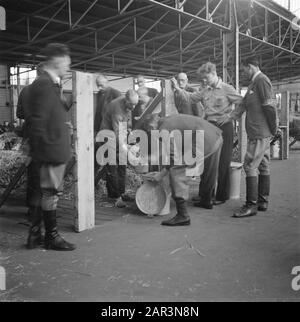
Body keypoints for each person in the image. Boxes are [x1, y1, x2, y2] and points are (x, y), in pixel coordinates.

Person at [172, 63, 243, 208]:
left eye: (206, 77)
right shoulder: (205, 90)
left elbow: (242, 102)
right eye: (203, 78)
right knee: (207, 162)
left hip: (224, 127)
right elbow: (191, 98)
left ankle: (222, 196)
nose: (204, 80)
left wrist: (231, 116)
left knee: (223, 162)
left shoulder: (226, 88)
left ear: (214, 73)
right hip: (210, 127)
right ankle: (206, 195)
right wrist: (178, 89)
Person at [27, 43, 76, 251]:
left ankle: (36, 234)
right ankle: (52, 237)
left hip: (49, 148)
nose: (68, 66)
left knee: (44, 192)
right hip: (50, 149)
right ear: (57, 60)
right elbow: (38, 121)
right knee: (50, 193)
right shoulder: (45, 85)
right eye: (67, 62)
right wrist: (39, 150)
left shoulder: (48, 84)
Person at [140, 113, 223, 226]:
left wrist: (161, 174)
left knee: (177, 170)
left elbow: (174, 158)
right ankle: (206, 200)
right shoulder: (167, 120)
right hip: (215, 136)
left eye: (149, 132)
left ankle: (183, 215)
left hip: (203, 140)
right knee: (210, 169)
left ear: (151, 127)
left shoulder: (163, 129)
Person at [230, 57, 277, 218]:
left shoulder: (262, 81)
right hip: (258, 132)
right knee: (263, 165)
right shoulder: (253, 84)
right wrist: (231, 117)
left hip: (259, 132)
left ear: (250, 67)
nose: (243, 73)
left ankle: (251, 205)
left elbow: (270, 106)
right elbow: (243, 104)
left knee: (249, 165)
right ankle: (262, 202)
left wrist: (273, 128)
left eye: (244, 70)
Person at [99, 89, 139, 208]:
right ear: (126, 100)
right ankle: (115, 197)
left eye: (135, 104)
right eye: (131, 104)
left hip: (119, 134)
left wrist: (129, 131)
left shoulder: (128, 105)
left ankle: (121, 192)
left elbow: (127, 123)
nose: (133, 106)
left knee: (122, 165)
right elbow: (117, 132)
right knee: (112, 167)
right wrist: (125, 147)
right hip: (108, 136)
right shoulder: (117, 109)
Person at [16, 62, 45, 223]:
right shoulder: (44, 90)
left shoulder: (25, 90)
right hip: (41, 135)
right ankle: (37, 211)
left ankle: (31, 206)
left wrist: (28, 115)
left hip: (28, 133)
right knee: (41, 173)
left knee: (32, 171)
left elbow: (19, 113)